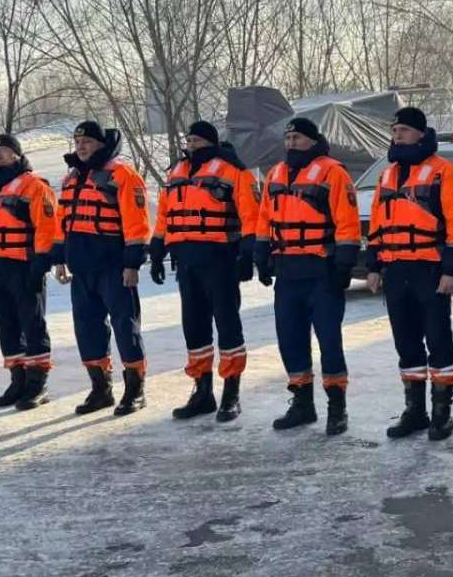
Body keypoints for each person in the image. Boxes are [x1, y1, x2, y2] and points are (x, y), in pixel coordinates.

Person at [366, 107, 453, 441]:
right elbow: (377, 223)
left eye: (403, 130)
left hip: (430, 269)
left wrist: (452, 270)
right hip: (396, 270)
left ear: (420, 133)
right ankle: (415, 412)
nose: (397, 135)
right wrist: (373, 266)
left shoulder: (445, 173)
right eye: (394, 130)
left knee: (438, 340)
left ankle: (442, 413)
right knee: (406, 343)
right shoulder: (387, 175)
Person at [254, 118, 361, 435]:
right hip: (287, 273)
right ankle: (302, 404)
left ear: (313, 140)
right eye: (287, 138)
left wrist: (344, 265)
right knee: (290, 339)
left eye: (297, 138)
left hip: (321, 271)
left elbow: (347, 222)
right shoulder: (275, 173)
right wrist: (260, 254)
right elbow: (264, 217)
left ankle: (337, 408)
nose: (291, 143)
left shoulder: (333, 172)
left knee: (329, 341)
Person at [150, 120, 259, 422]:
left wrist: (247, 254)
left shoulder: (233, 170)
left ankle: (231, 393)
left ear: (211, 142)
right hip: (186, 261)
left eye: (197, 141)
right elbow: (164, 215)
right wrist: (156, 250)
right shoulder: (177, 172)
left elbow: (250, 214)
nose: (191, 145)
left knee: (227, 324)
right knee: (194, 327)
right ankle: (202, 392)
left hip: (220, 259)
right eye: (189, 140)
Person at [54, 121, 151, 416]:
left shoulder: (122, 175)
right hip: (81, 269)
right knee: (87, 329)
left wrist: (132, 263)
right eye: (77, 142)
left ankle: (135, 390)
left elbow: (136, 223)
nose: (81, 146)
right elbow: (61, 222)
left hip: (113, 267)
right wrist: (59, 259)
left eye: (87, 141)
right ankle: (101, 389)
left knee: (125, 327)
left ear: (101, 144)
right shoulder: (71, 178)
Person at [0, 133, 60, 411]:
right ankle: (18, 380)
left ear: (16, 155)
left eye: (3, 150)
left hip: (23, 266)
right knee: (6, 326)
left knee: (32, 324)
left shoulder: (34, 186)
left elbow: (47, 226)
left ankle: (37, 384)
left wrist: (41, 262)